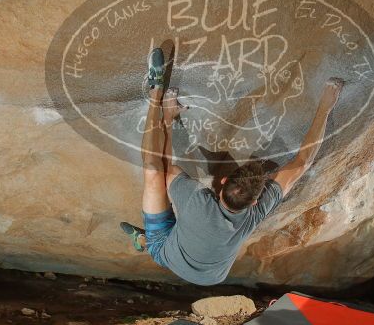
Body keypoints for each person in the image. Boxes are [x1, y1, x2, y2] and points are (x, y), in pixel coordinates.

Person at [121, 47, 343, 286]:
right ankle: (166, 111)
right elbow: (303, 162)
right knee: (163, 177)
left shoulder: (201, 202)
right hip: (210, 279)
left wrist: (166, 120)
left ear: (223, 182)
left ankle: (156, 93)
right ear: (255, 201)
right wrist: (325, 110)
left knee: (154, 171)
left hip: (165, 250)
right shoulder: (252, 212)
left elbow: (164, 164)